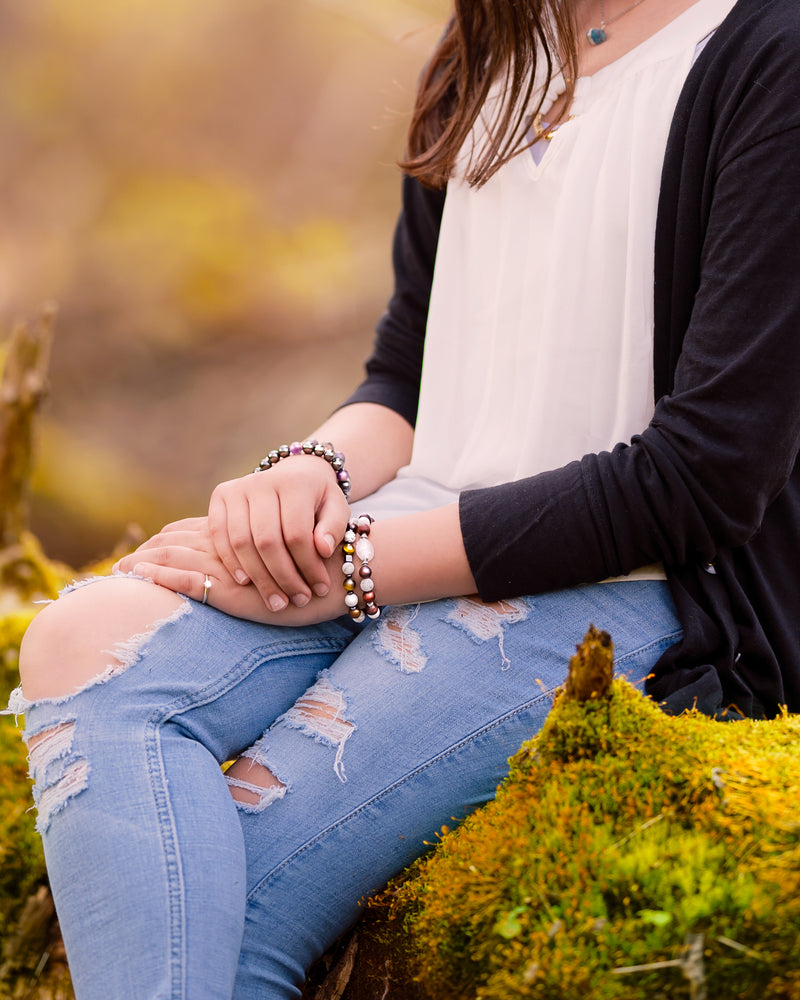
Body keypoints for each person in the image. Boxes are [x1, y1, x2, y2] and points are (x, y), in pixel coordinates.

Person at [9, 0, 800, 996]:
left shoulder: (764, 52)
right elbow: (405, 372)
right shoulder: (492, 47)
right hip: (416, 520)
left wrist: (354, 574)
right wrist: (309, 475)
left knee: (217, 883)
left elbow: (703, 478)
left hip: (632, 578)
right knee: (75, 642)